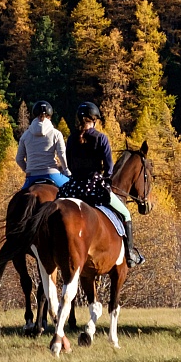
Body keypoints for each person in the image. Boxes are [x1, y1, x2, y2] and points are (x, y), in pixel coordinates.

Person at [59, 101, 144, 267]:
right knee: (126, 214)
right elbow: (110, 167)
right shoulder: (101, 138)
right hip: (93, 187)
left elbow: (68, 164)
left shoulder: (71, 139)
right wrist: (104, 179)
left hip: (73, 186)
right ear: (95, 120)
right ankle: (130, 253)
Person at [16, 100, 71, 190]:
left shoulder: (25, 135)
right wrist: (66, 170)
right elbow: (61, 155)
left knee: (18, 201)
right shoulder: (56, 134)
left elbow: (19, 159)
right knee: (71, 191)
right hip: (52, 174)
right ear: (50, 116)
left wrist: (28, 170)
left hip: (31, 177)